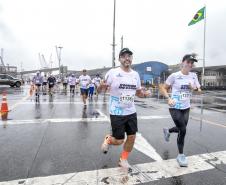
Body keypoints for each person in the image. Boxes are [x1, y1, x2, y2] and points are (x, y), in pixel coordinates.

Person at [98, 48, 150, 169]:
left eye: (129, 56)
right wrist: (100, 86)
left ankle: (123, 159)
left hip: (131, 111)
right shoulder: (113, 73)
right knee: (119, 140)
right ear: (120, 59)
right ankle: (108, 139)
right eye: (124, 56)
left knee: (132, 137)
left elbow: (138, 93)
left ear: (132, 59)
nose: (127, 58)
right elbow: (100, 90)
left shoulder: (135, 75)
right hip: (116, 111)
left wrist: (145, 94)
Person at [159, 54, 202, 167]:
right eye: (188, 62)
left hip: (186, 107)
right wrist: (168, 98)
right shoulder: (175, 76)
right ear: (182, 62)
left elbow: (199, 91)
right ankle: (181, 155)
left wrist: (193, 88)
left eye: (192, 62)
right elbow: (163, 88)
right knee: (183, 130)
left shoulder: (193, 76)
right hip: (174, 107)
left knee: (180, 128)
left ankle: (168, 131)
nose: (190, 64)